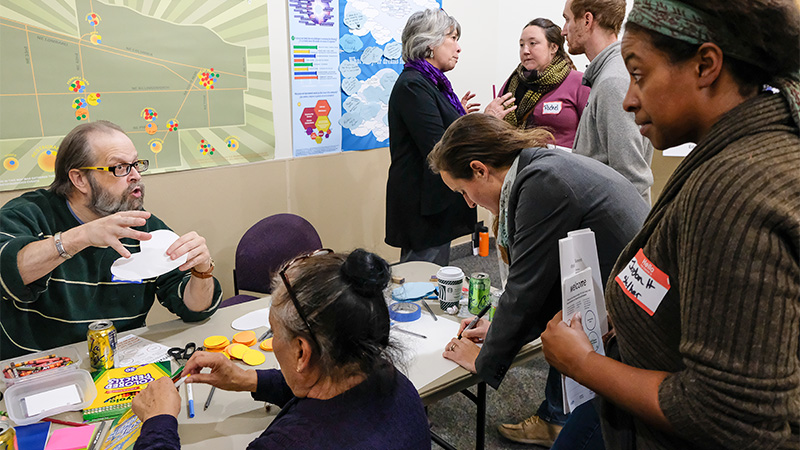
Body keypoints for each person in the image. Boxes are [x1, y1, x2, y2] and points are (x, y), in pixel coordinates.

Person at [541, 1, 800, 449]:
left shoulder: (733, 188)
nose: (629, 99)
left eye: (639, 75)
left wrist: (583, 365)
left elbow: (725, 415)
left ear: (706, 65)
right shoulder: (736, 150)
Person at [428, 113, 648, 447]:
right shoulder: (539, 166)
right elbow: (542, 281)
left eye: (463, 191)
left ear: (479, 169)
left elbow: (525, 288)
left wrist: (482, 361)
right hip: (624, 305)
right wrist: (497, 328)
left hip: (639, 327)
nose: (469, 202)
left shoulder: (542, 183)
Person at [132, 249, 430, 449]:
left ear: (302, 352)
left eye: (275, 333)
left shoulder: (287, 443)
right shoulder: (388, 377)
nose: (272, 343)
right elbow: (325, 386)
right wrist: (248, 379)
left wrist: (159, 423)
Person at [0, 121, 222, 358]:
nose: (135, 176)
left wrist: (202, 270)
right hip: (37, 369)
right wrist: (81, 236)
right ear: (79, 179)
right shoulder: (29, 213)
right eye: (120, 167)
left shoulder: (142, 226)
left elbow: (194, 308)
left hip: (119, 365)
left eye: (135, 164)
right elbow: (7, 271)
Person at [385, 8, 514, 266]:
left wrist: (458, 116)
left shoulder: (432, 83)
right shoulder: (414, 85)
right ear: (430, 44)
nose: (458, 47)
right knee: (423, 275)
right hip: (423, 206)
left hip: (434, 201)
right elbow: (439, 146)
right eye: (452, 38)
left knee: (434, 270)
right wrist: (485, 120)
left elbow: (442, 130)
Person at [561, 0, 654, 204]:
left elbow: (632, 182)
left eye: (567, 20)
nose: (563, 31)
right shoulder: (609, 75)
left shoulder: (613, 81)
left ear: (587, 20)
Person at [492, 18, 591, 148]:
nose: (525, 51)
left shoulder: (579, 82)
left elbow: (593, 134)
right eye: (521, 45)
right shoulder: (513, 83)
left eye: (533, 43)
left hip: (563, 164)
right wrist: (490, 118)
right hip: (519, 161)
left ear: (553, 47)